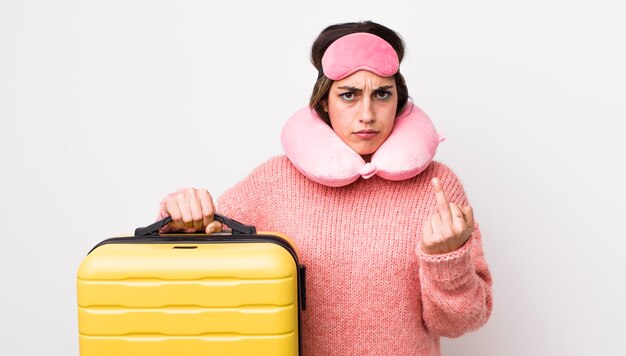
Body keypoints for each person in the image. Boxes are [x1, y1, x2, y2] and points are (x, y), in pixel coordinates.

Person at [157, 20, 493, 355]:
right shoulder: (273, 182)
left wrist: (446, 259)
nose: (367, 114)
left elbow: (460, 324)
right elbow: (196, 282)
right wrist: (180, 218)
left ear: (399, 103)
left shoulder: (437, 186)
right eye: (349, 95)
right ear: (323, 103)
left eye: (382, 94)